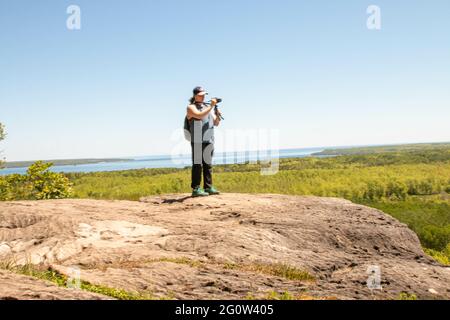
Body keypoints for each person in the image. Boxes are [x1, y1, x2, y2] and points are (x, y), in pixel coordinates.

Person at [186, 86, 222, 197]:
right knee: (197, 164)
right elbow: (199, 115)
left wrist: (218, 115)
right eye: (201, 94)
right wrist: (211, 106)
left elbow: (216, 123)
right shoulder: (190, 107)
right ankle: (196, 189)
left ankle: (208, 187)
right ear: (195, 95)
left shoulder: (208, 107)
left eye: (204, 95)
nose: (203, 96)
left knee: (208, 164)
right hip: (197, 139)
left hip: (209, 139)